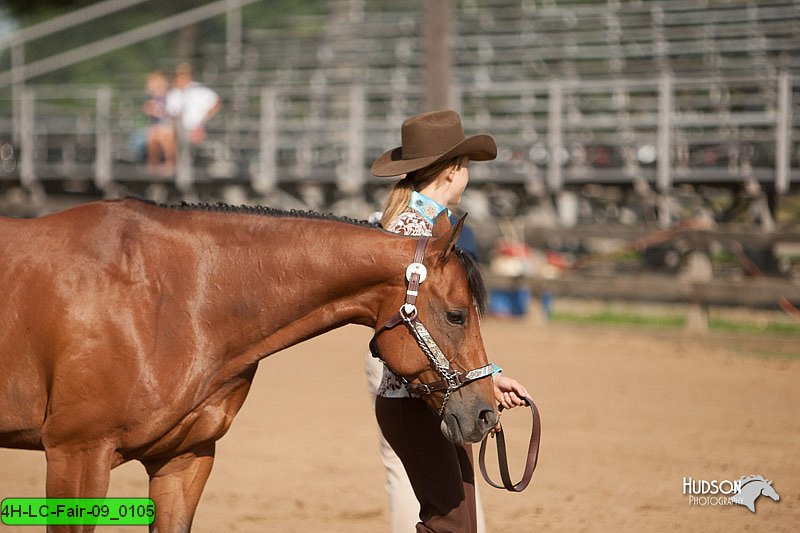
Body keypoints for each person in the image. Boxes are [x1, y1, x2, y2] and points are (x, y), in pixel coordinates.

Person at [368, 109, 530, 532]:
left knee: (458, 523)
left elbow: (442, 329)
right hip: (416, 396)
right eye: (467, 167)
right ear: (453, 171)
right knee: (452, 524)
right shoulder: (413, 231)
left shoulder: (432, 225)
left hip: (434, 391)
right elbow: (415, 331)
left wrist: (486, 377)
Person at [165, 62, 222, 146]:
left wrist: (202, 123)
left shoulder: (199, 89)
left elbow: (217, 102)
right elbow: (171, 114)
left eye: (185, 75)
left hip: (202, 127)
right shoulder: (173, 94)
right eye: (180, 76)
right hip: (181, 130)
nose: (183, 78)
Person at [142, 70, 176, 174]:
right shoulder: (154, 99)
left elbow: (171, 113)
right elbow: (149, 111)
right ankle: (153, 165)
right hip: (157, 126)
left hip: (169, 125)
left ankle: (170, 164)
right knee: (152, 136)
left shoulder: (171, 96)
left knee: (164, 135)